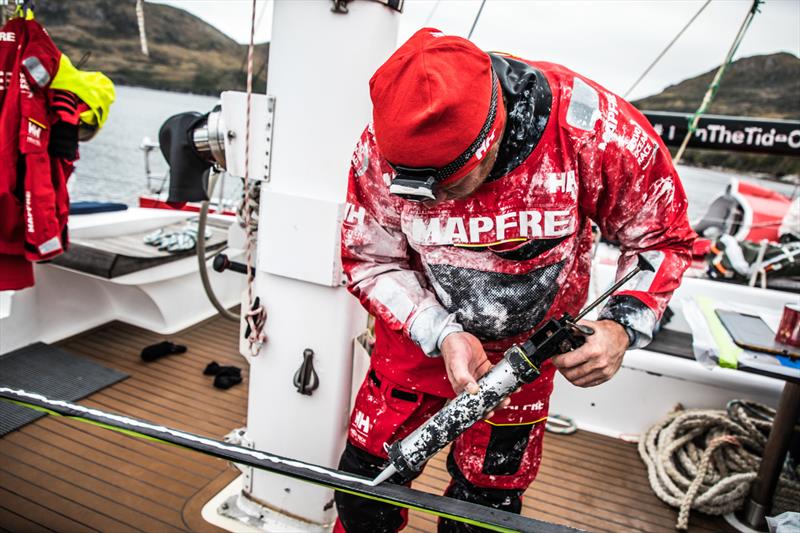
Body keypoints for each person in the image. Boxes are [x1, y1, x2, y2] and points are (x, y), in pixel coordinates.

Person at [335, 28, 695, 532]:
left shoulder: (593, 131)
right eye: (418, 191)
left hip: (527, 358)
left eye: (449, 184)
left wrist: (619, 327)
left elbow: (664, 239)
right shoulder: (381, 148)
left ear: (491, 139)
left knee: (483, 513)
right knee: (361, 493)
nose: (434, 203)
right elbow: (370, 259)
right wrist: (442, 332)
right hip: (416, 342)